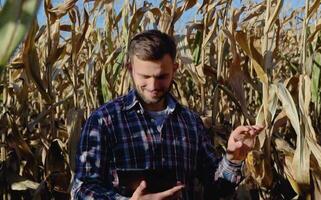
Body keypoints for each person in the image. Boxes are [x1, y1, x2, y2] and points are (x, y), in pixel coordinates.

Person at [71, 29, 263, 200]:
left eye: (162, 76)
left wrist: (232, 158)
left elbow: (217, 188)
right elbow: (82, 189)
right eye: (144, 77)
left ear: (175, 69)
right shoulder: (104, 121)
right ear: (130, 69)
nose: (153, 86)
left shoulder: (190, 122)